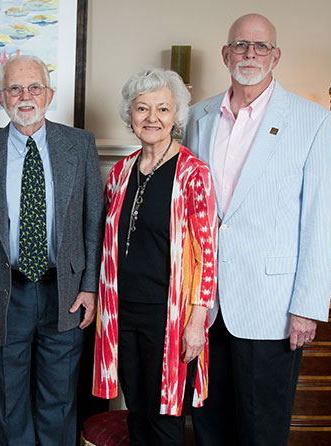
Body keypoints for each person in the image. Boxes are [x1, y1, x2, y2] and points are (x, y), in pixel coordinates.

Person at [184, 13, 331, 446]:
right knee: (209, 426)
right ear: (225, 53)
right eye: (240, 45)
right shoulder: (197, 116)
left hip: (270, 308)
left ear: (276, 56)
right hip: (204, 307)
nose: (249, 54)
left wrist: (307, 306)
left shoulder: (314, 123)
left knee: (261, 431)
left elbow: (321, 222)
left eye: (259, 47)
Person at [0, 54, 103, 446]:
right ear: (0, 97)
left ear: (49, 94)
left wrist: (90, 286)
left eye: (34, 87)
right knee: (8, 401)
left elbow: (94, 222)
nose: (25, 96)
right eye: (15, 88)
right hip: (5, 294)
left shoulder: (79, 144)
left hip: (67, 292)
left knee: (59, 401)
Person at [91, 68, 217, 445]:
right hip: (122, 313)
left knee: (166, 418)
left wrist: (197, 322)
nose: (152, 118)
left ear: (176, 115)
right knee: (137, 413)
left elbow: (207, 253)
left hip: (171, 319)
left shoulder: (194, 174)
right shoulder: (120, 171)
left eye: (163, 109)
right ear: (130, 116)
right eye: (142, 109)